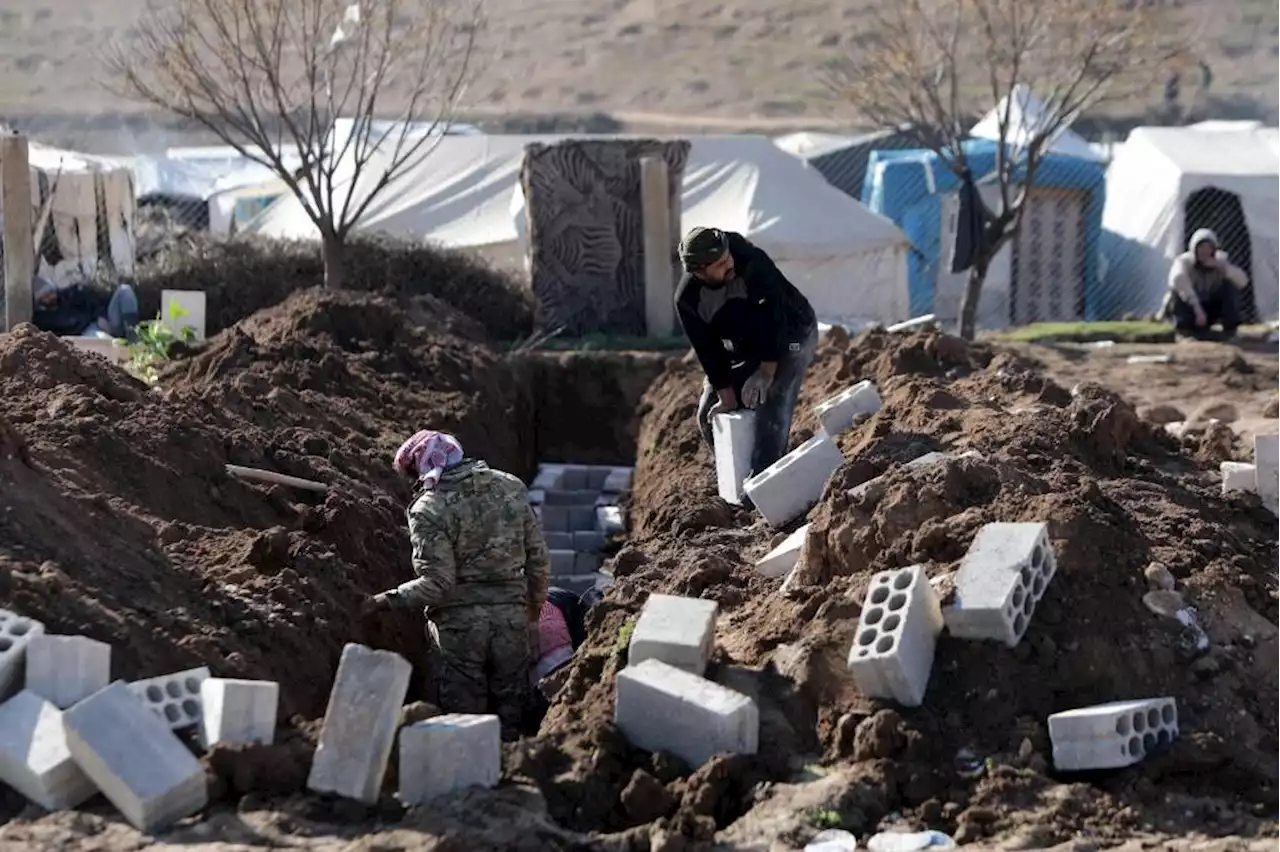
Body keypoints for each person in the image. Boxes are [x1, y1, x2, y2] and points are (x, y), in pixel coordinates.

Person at [363, 430, 549, 740]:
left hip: (460, 633)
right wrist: (532, 613)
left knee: (464, 729)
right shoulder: (511, 487)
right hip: (512, 623)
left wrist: (385, 600)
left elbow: (438, 584)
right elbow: (538, 561)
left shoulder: (428, 509)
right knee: (513, 725)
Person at [675, 226, 819, 491]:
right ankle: (735, 482)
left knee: (772, 396)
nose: (729, 263)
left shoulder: (751, 261)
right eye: (720, 264)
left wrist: (766, 371)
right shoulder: (689, 300)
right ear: (700, 272)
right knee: (707, 413)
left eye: (728, 256)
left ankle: (765, 487)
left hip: (793, 333)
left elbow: (773, 317)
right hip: (746, 345)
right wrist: (726, 395)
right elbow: (708, 349)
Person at [1164, 228, 1249, 341]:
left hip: (1208, 309)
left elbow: (1243, 282)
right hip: (1192, 309)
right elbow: (1177, 279)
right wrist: (1197, 308)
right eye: (1201, 247)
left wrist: (1223, 268)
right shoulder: (1184, 261)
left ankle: (1230, 332)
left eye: (1209, 247)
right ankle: (1183, 333)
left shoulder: (1220, 261)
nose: (1205, 251)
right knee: (1177, 293)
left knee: (1230, 287)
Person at [32, 276, 139, 339]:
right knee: (105, 341)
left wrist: (100, 316)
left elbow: (94, 302)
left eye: (51, 292)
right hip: (87, 333)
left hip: (105, 322)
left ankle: (133, 338)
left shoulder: (70, 295)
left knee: (125, 290)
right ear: (40, 301)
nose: (51, 297)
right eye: (45, 296)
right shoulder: (43, 319)